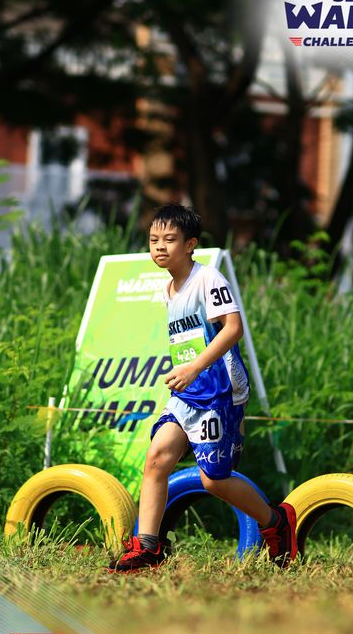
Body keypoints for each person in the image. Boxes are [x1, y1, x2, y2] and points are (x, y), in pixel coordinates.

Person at [110, 204, 297, 572]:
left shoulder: (208, 278)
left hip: (220, 392)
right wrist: (186, 372)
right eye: (153, 239)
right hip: (189, 393)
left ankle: (275, 522)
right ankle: (147, 548)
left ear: (190, 244)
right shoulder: (168, 288)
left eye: (169, 239)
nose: (159, 246)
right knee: (157, 456)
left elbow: (233, 328)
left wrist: (195, 367)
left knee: (214, 482)